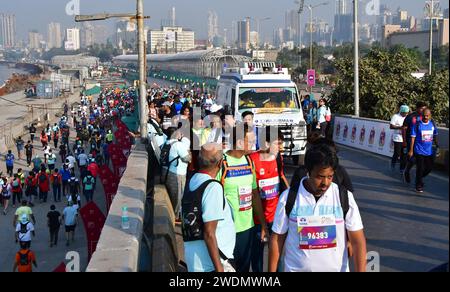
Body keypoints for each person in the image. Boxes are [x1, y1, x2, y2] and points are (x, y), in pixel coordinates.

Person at [269, 144, 367, 272]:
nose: (325, 183)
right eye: (320, 177)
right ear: (308, 172)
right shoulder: (288, 197)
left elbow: (358, 241)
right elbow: (277, 239)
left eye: (330, 176)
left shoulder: (344, 197)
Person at [217, 123, 268, 272]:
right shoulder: (222, 162)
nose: (254, 144)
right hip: (227, 230)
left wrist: (263, 224)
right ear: (239, 142)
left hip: (247, 228)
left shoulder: (249, 162)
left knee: (244, 269)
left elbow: (254, 195)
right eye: (250, 141)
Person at [183, 143, 236, 272]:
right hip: (211, 264)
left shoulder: (192, 180)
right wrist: (219, 268)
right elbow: (209, 233)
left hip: (195, 258)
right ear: (220, 163)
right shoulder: (213, 187)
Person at [249, 127, 288, 272]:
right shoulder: (252, 160)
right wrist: (262, 222)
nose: (280, 147)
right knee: (257, 255)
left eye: (281, 143)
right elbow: (252, 193)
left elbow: (282, 178)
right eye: (277, 143)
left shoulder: (278, 158)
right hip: (257, 219)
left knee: (276, 255)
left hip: (276, 217)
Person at [408, 109, 439, 193]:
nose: (426, 117)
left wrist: (437, 145)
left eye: (427, 115)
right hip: (419, 150)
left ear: (430, 115)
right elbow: (413, 137)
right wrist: (411, 150)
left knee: (429, 168)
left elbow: (435, 135)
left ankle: (419, 177)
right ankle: (418, 185)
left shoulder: (432, 124)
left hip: (429, 151)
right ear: (422, 115)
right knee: (420, 167)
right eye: (424, 115)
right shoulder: (417, 125)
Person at [164, 127, 191, 221]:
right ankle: (176, 217)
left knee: (170, 195)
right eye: (180, 133)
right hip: (177, 174)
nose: (181, 135)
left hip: (166, 172)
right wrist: (188, 151)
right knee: (178, 196)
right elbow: (187, 158)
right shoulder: (179, 145)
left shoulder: (166, 142)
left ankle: (173, 215)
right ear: (176, 134)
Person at [403, 102, 427, 184]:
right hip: (411, 139)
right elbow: (404, 128)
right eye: (422, 108)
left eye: (425, 108)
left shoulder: (426, 117)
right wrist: (405, 141)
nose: (424, 110)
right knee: (412, 159)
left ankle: (419, 180)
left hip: (421, 141)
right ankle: (407, 171)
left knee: (421, 160)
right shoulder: (411, 116)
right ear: (417, 108)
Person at [390, 105, 409, 173]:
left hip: (405, 138)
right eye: (405, 113)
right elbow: (391, 126)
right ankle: (393, 162)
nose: (406, 114)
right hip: (397, 137)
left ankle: (402, 168)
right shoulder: (396, 116)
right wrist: (400, 128)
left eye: (407, 113)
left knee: (404, 154)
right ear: (401, 111)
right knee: (397, 153)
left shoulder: (407, 117)